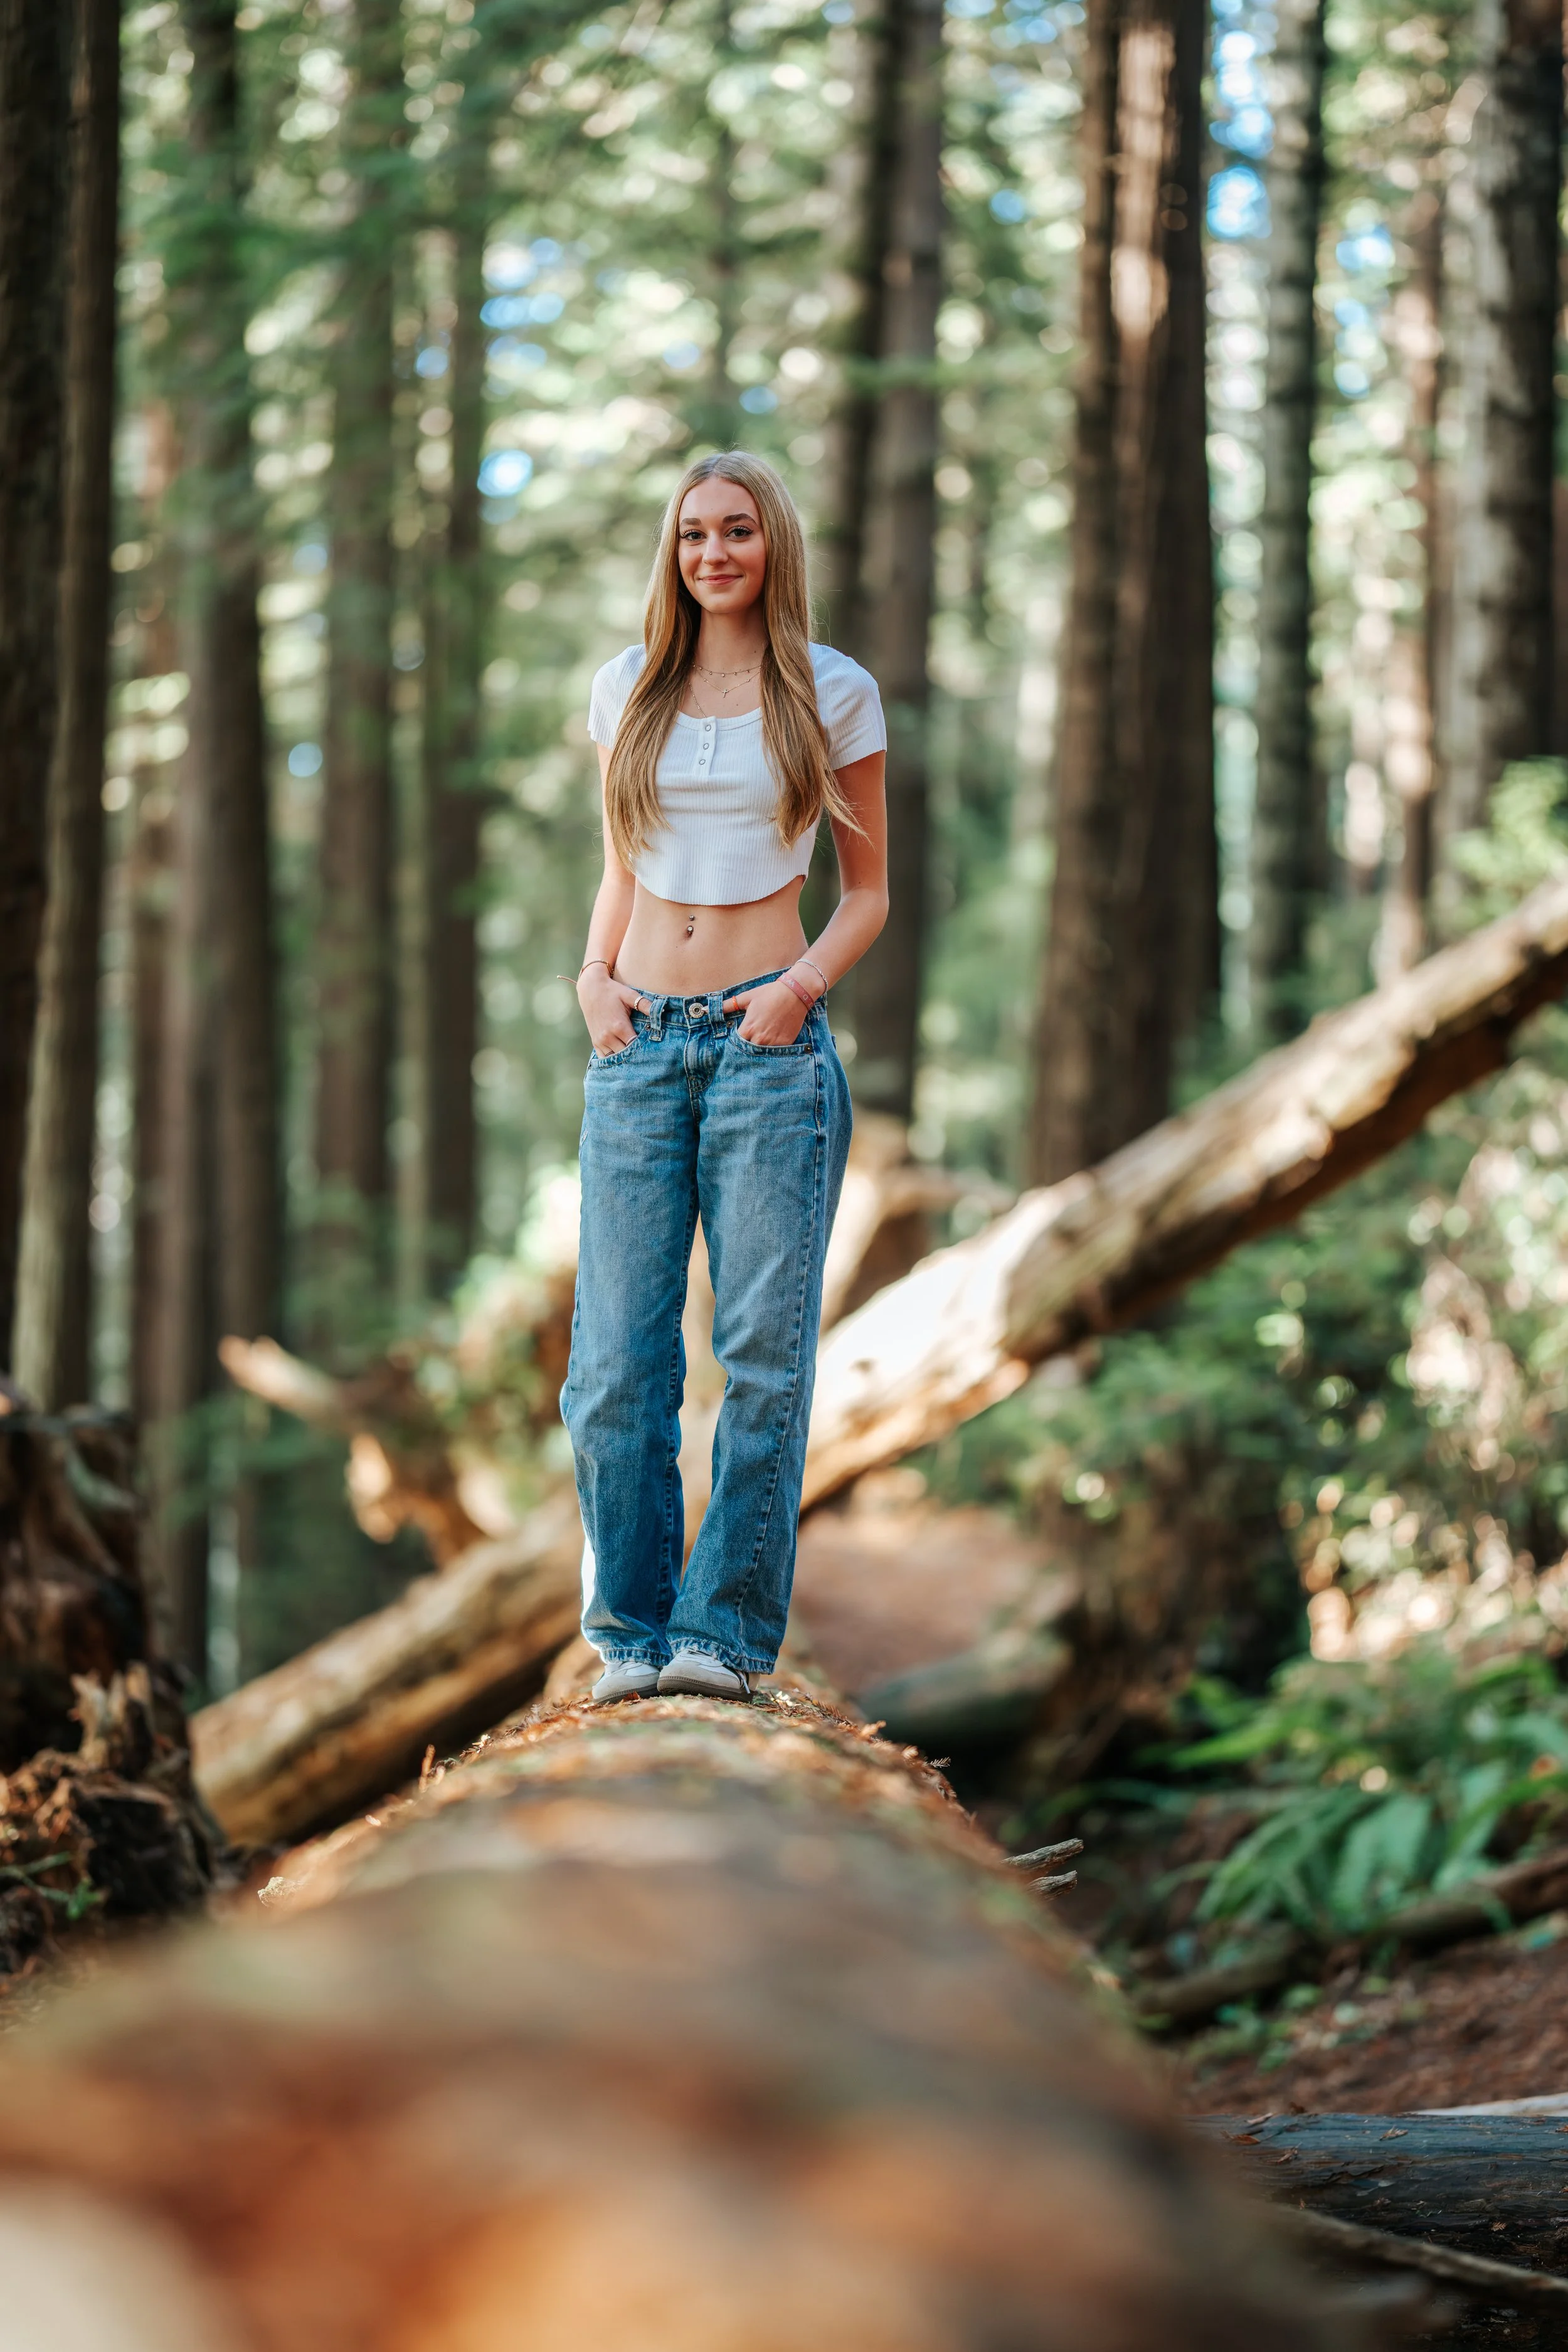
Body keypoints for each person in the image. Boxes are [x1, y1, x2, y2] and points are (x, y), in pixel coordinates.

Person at [562, 450, 889, 1704]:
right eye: (694, 533)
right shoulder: (625, 690)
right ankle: (626, 1635)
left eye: (737, 531)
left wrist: (795, 993)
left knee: (760, 1360)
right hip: (635, 1049)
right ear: (672, 550)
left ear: (772, 546)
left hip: (769, 1056)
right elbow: (619, 868)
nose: (713, 552)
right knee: (614, 1370)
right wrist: (592, 978)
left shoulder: (831, 692)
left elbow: (865, 897)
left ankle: (726, 1636)